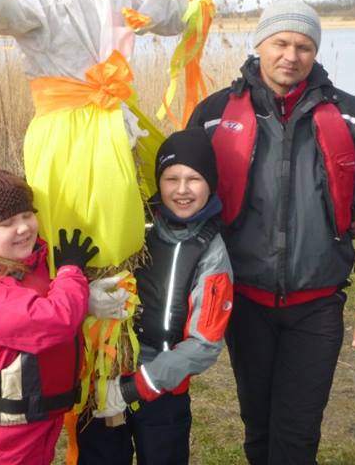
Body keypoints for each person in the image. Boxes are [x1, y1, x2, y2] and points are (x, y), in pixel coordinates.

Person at [187, 0, 355, 465]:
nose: (291, 55)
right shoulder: (214, 113)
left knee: (298, 431)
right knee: (257, 425)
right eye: (280, 42)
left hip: (317, 306)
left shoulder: (353, 115)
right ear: (260, 44)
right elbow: (184, 208)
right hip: (244, 302)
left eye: (304, 46)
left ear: (315, 52)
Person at [75, 127, 235, 465]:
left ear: (211, 182)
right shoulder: (133, 224)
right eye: (171, 178)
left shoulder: (212, 252)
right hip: (105, 375)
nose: (181, 190)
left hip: (162, 391)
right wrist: (85, 296)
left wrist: (135, 387)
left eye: (193, 179)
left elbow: (205, 342)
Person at [0, 161, 100, 464]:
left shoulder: (26, 261)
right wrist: (71, 271)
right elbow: (55, 319)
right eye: (6, 223)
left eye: (28, 215)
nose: (23, 227)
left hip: (35, 427)